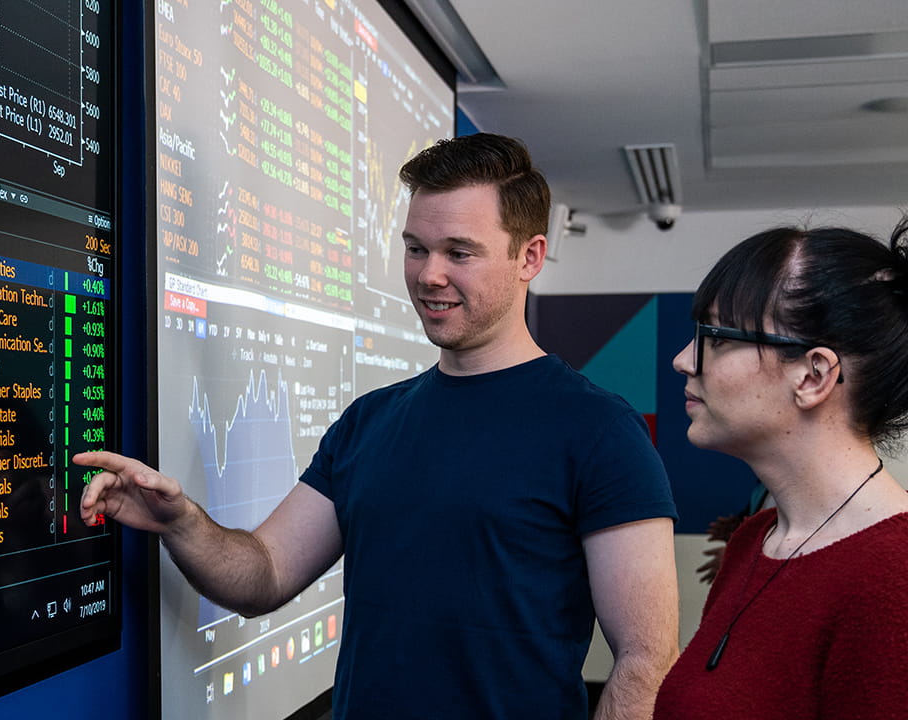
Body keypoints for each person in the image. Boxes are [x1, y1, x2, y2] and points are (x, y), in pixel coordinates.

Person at [78, 133, 679, 719]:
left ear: (529, 257)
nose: (428, 275)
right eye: (415, 248)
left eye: (458, 252)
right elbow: (262, 573)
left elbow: (646, 661)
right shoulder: (370, 422)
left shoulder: (600, 431)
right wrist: (180, 523)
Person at [655, 222, 908, 718]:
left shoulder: (893, 578)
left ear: (813, 375)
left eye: (715, 336)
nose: (683, 360)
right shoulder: (755, 541)